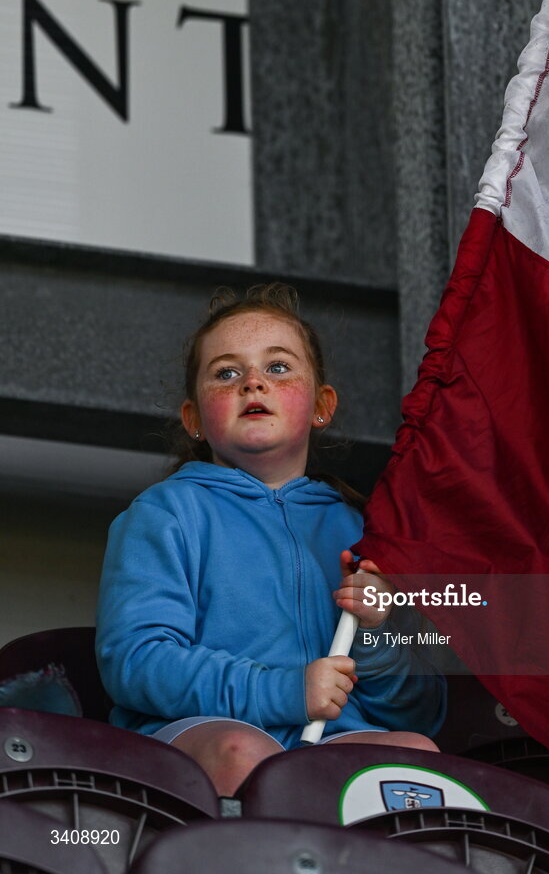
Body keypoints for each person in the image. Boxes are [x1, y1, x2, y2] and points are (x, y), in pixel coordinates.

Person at [96, 284, 445, 796]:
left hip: (333, 743)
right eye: (226, 373)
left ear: (321, 405)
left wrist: (376, 635)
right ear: (193, 419)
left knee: (417, 756)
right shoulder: (167, 513)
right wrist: (283, 691)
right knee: (245, 752)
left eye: (278, 367)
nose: (253, 383)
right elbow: (136, 662)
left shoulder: (365, 532)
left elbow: (424, 710)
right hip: (202, 736)